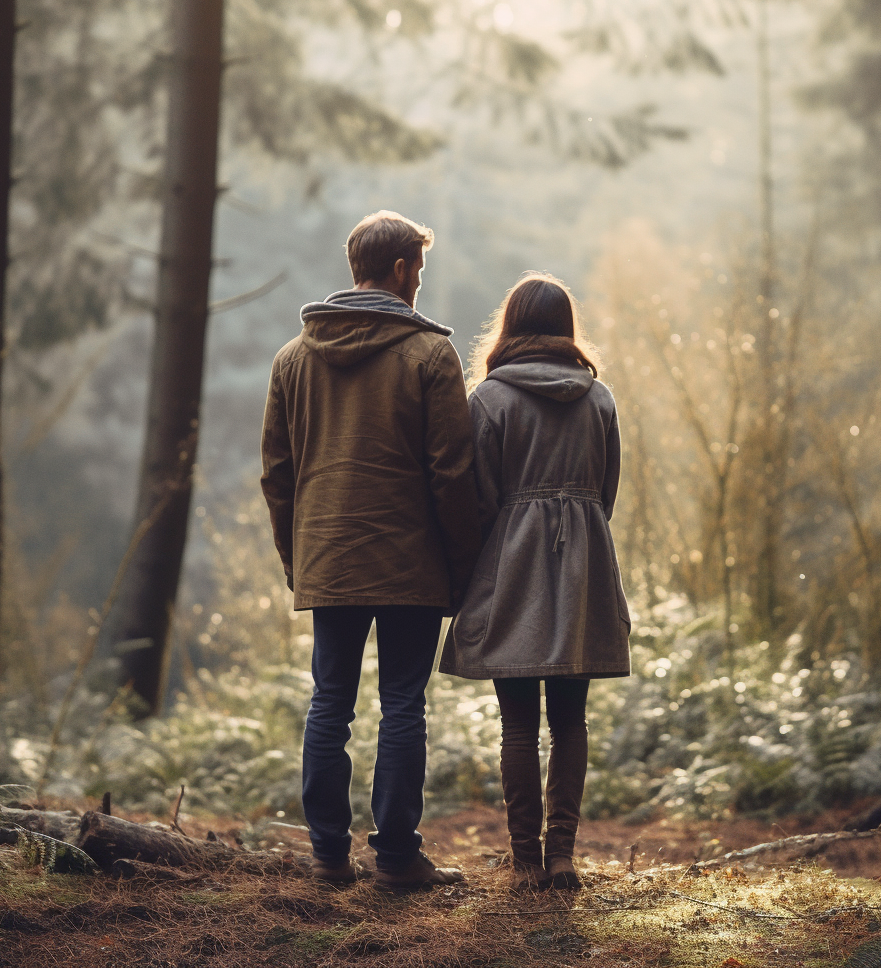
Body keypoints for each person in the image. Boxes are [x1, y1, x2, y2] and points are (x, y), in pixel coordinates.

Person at [260, 210, 482, 888]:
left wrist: (298, 558)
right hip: (410, 560)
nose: (420, 282)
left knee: (330, 701)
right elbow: (452, 472)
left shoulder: (293, 358)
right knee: (403, 704)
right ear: (399, 269)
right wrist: (464, 563)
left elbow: (277, 474)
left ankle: (328, 856)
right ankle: (395, 861)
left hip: (329, 557)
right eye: (419, 268)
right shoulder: (429, 355)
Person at [439, 272, 632, 891]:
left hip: (512, 565)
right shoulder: (599, 400)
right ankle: (562, 858)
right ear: (567, 327)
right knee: (570, 721)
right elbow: (607, 491)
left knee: (517, 723)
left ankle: (524, 856)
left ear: (511, 325)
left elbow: (480, 496)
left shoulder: (489, 400)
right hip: (582, 567)